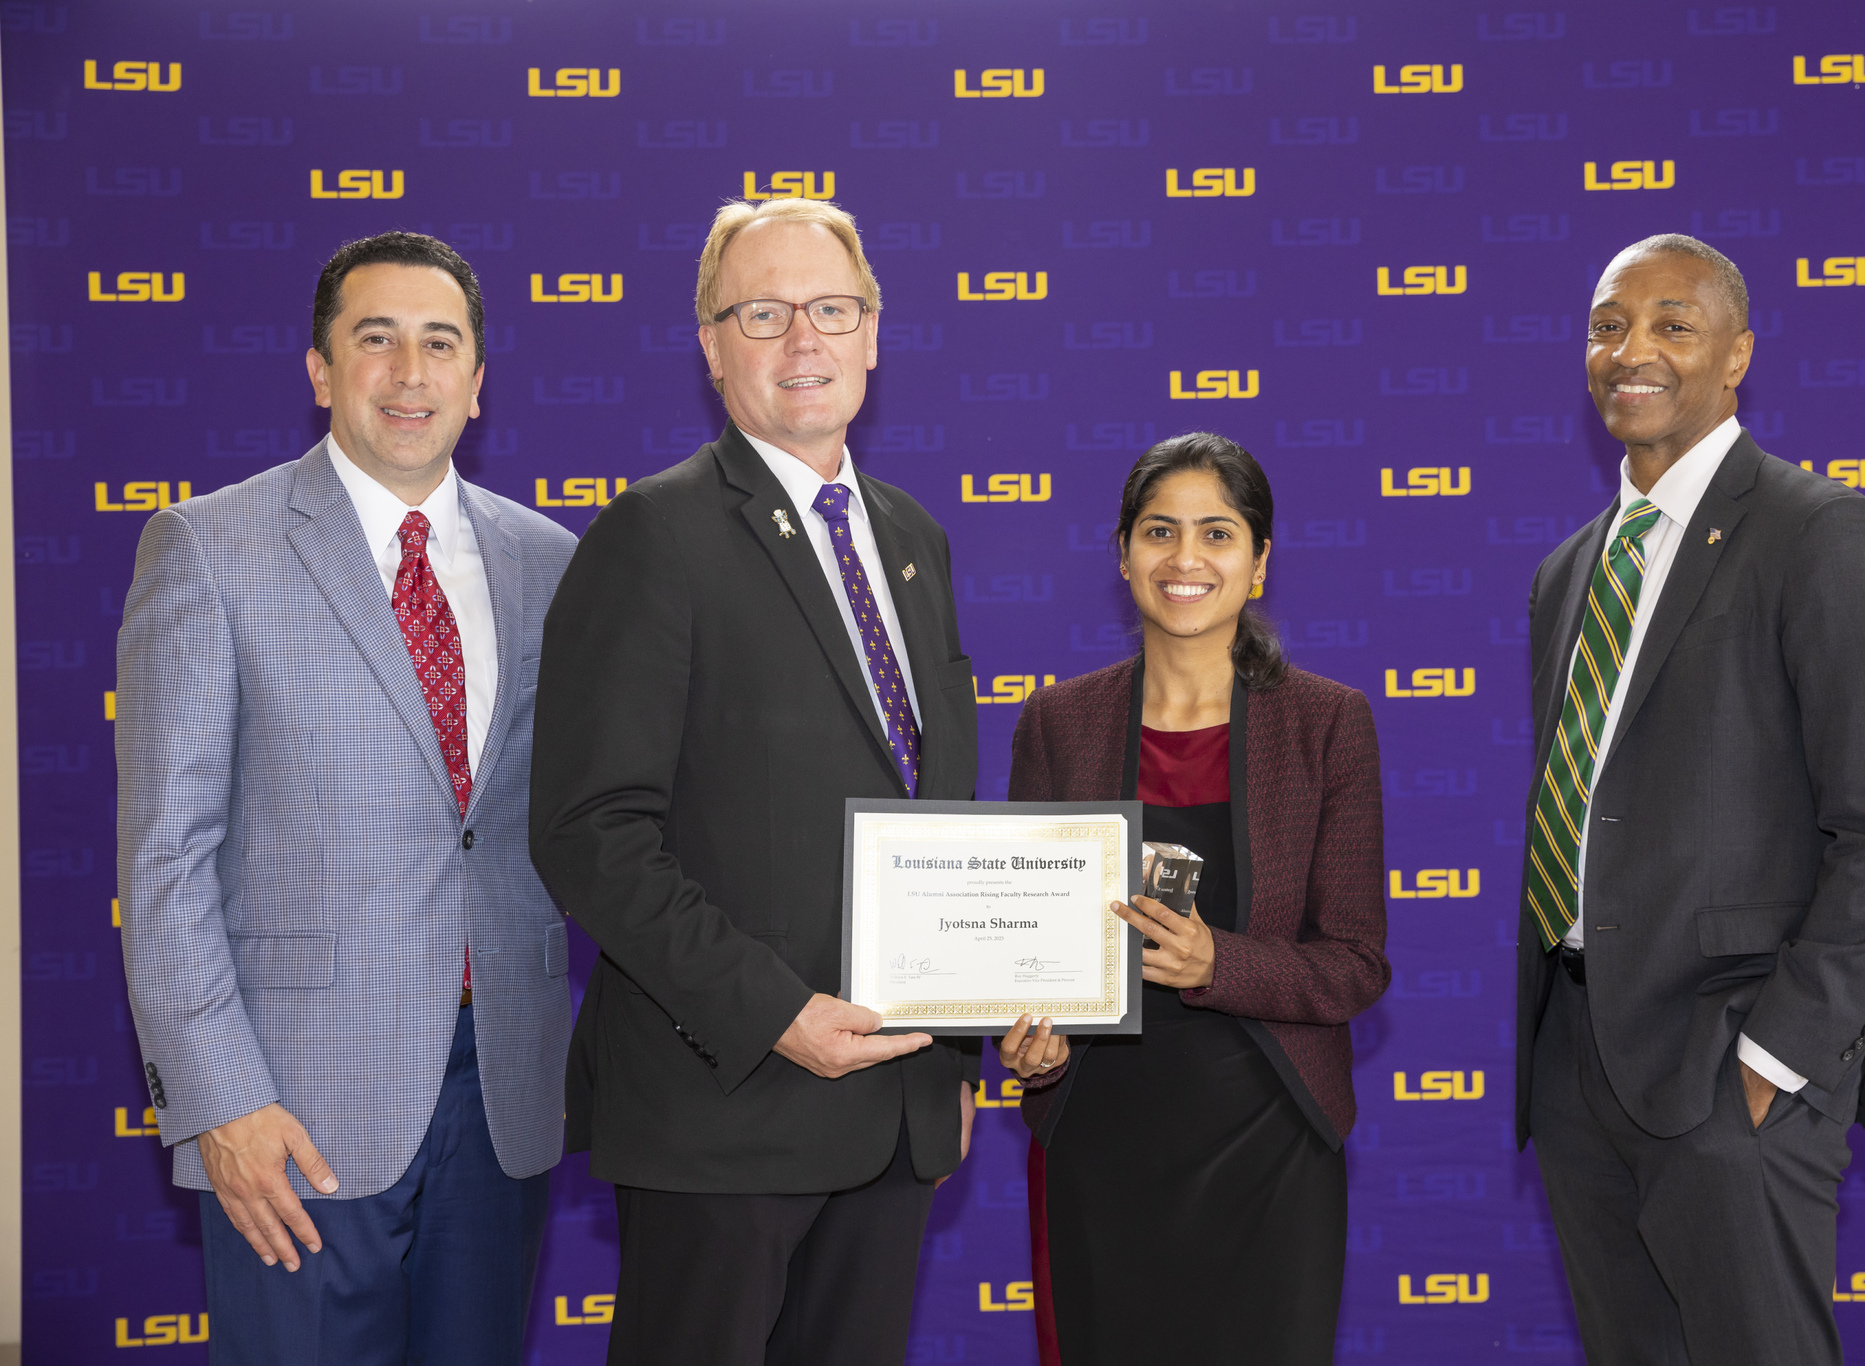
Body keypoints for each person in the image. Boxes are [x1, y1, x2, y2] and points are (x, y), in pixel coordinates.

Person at [528, 197, 982, 1366]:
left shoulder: (913, 539)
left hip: (891, 1110)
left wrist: (959, 1041)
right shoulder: (650, 534)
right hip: (721, 1113)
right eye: (763, 312)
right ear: (710, 343)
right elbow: (591, 833)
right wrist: (775, 1013)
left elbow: (938, 811)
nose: (803, 341)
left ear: (874, 333)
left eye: (831, 310)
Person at [116, 231, 578, 1363]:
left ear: (479, 380)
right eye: (375, 341)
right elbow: (165, 858)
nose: (409, 374)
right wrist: (221, 1102)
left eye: (440, 344)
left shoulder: (552, 562)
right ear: (321, 370)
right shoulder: (210, 548)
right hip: (296, 1106)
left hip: (502, 1098)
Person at [1514, 234, 1865, 1365]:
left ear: (1736, 352)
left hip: (1729, 1069)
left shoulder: (1815, 533)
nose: (1631, 349)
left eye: (1671, 323)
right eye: (1608, 325)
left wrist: (1773, 1060)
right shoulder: (1568, 571)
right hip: (1577, 1063)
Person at [996, 431, 1389, 1365]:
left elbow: (1354, 965)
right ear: (1122, 552)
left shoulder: (1329, 723)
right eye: (1159, 531)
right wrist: (1026, 1040)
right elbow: (1023, 947)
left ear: (1258, 564)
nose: (1185, 559)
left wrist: (1221, 962)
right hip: (1097, 1135)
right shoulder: (1057, 722)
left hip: (1271, 1138)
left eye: (1218, 534)